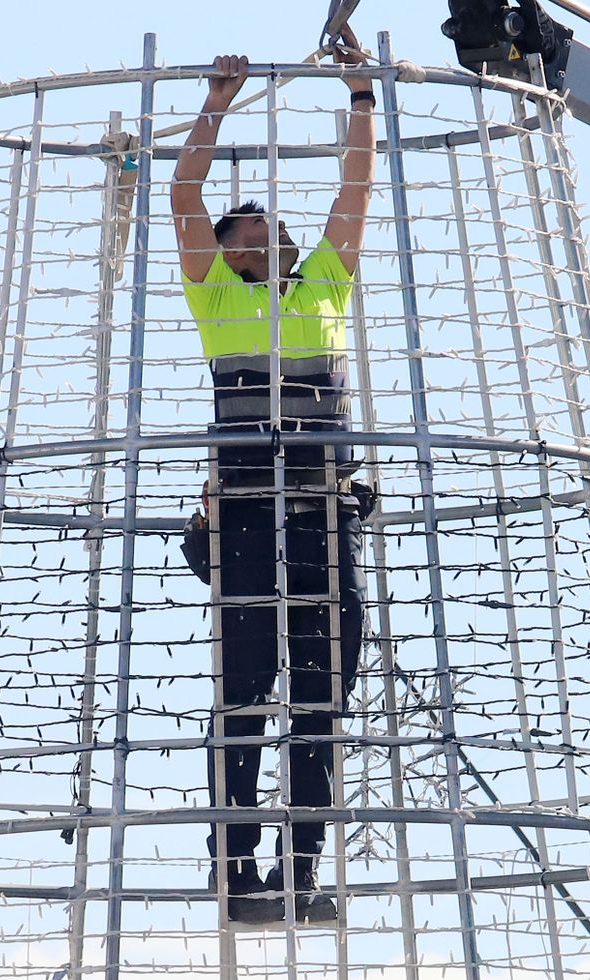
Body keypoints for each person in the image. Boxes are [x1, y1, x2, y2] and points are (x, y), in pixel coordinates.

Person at [170, 30, 376, 925]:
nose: (273, 225)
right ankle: (234, 866)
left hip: (326, 516)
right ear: (230, 250)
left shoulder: (323, 284)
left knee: (323, 698)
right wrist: (218, 105)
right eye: (251, 223)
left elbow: (354, 191)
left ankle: (301, 866)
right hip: (251, 517)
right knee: (246, 697)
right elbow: (182, 194)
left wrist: (360, 99)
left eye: (273, 221)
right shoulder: (219, 296)